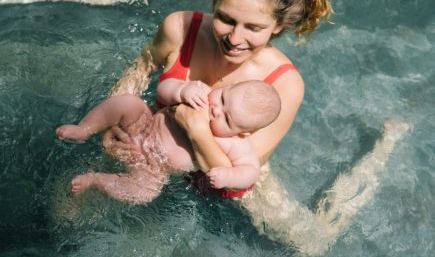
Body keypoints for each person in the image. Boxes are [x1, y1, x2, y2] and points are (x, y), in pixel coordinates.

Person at [101, 0, 411, 257]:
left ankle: (384, 148)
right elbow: (140, 70)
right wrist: (117, 128)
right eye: (226, 19)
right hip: (152, 139)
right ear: (214, 1)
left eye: (254, 28)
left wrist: (194, 130)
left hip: (231, 170)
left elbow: (236, 176)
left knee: (312, 245)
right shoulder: (181, 29)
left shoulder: (284, 84)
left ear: (277, 27)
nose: (235, 39)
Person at [56, 80, 281, 202]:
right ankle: (84, 129)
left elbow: (250, 171)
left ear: (243, 133)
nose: (215, 109)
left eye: (227, 118)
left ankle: (95, 180)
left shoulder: (236, 143)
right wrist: (182, 90)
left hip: (154, 167)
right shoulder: (201, 92)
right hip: (142, 126)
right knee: (128, 102)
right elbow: (163, 91)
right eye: (222, 98)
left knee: (146, 192)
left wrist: (228, 175)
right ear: (225, 87)